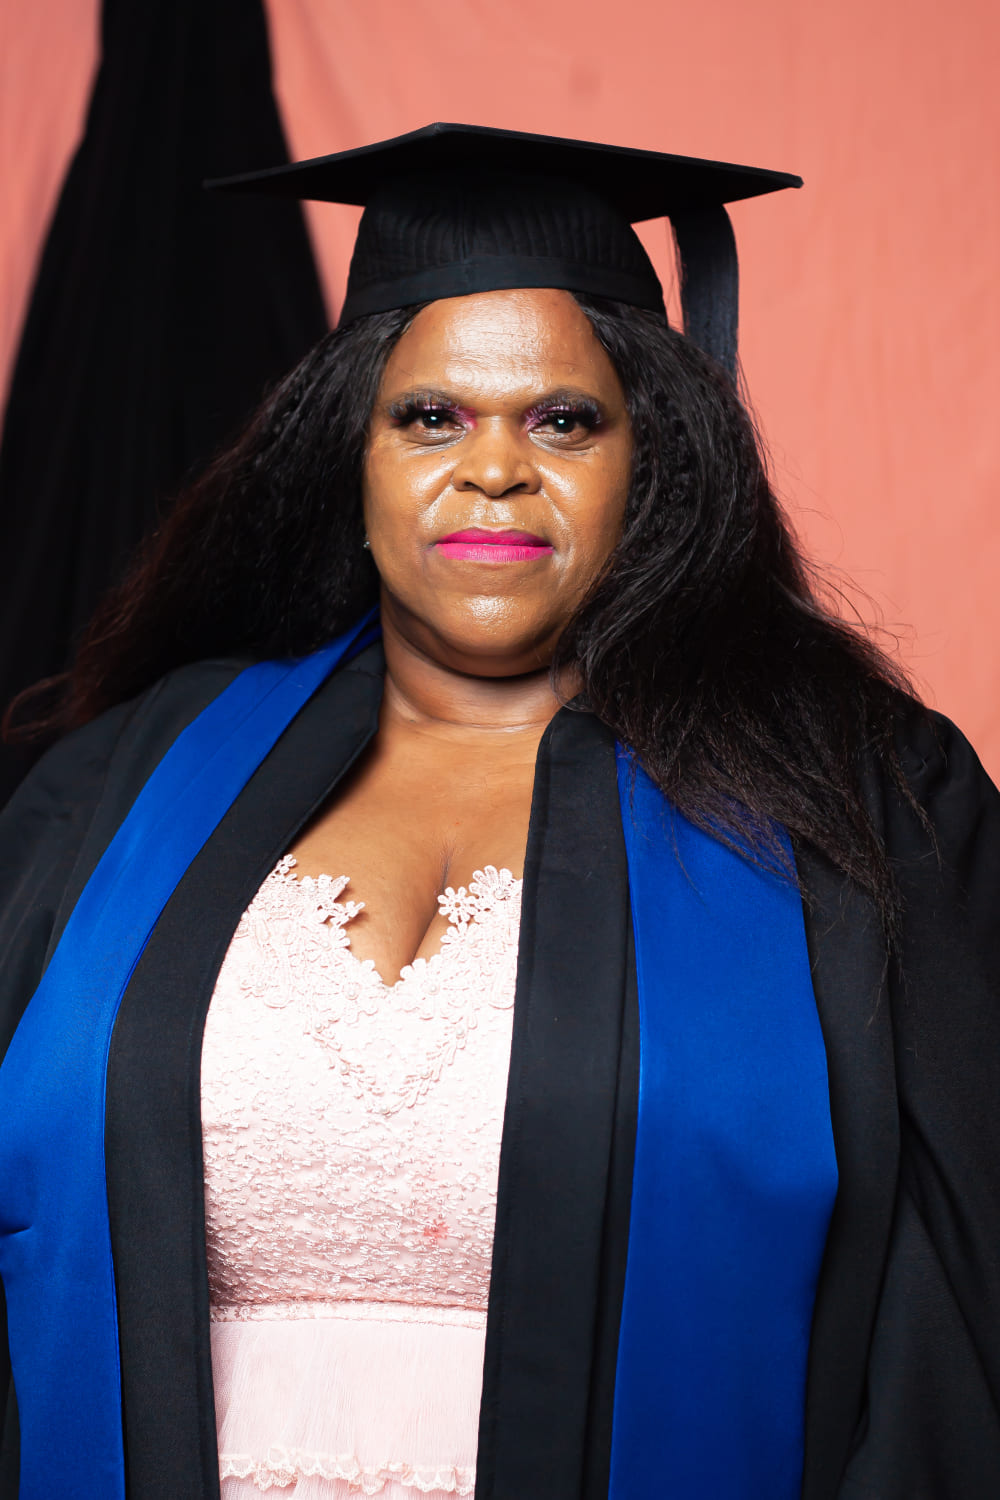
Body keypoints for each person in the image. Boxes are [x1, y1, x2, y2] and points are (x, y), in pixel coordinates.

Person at [0, 123, 998, 1500]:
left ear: (653, 459)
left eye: (563, 421)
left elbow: (955, 1311)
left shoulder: (860, 799)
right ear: (348, 453)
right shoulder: (124, 785)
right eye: (430, 417)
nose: (493, 471)